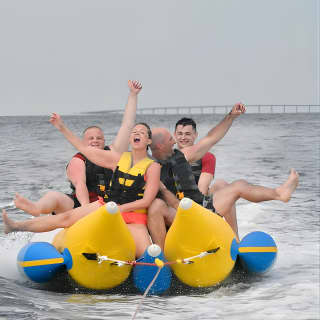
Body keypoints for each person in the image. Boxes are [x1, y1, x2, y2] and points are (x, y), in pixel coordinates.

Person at [147, 104, 299, 249]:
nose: (175, 141)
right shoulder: (148, 166)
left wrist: (231, 117)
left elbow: (211, 138)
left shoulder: (182, 155)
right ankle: (161, 253)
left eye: (186, 134)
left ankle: (278, 194)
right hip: (177, 214)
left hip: (199, 209)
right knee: (158, 206)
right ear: (160, 146)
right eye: (171, 139)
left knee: (237, 185)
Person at [3, 120, 161, 258]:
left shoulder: (153, 166)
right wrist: (62, 127)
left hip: (134, 218)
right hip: (105, 207)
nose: (136, 133)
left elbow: (146, 201)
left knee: (147, 253)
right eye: (134, 131)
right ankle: (16, 226)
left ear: (148, 141)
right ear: (130, 138)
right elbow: (86, 150)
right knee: (65, 219)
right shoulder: (118, 158)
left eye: (141, 132)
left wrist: (118, 210)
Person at [13, 80, 141, 216]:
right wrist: (87, 212)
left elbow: (127, 125)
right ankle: (36, 207)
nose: (95, 141)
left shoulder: (113, 152)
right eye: (90, 138)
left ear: (104, 141)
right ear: (83, 142)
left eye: (99, 138)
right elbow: (80, 184)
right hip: (81, 206)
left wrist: (133, 95)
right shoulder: (78, 159)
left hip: (111, 204)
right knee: (54, 196)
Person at [174, 117, 216, 196]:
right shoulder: (168, 157)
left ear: (195, 135)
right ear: (175, 135)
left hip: (197, 200)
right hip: (173, 200)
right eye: (180, 134)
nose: (183, 138)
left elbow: (202, 190)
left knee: (221, 185)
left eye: (187, 134)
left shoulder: (207, 156)